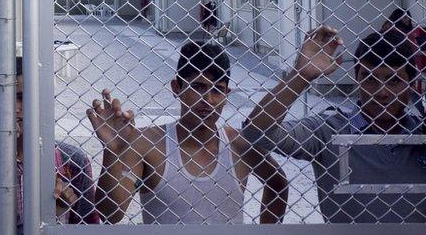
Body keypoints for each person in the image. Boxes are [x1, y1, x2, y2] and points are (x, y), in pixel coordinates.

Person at [89, 41, 289, 225]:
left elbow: (278, 183)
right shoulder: (147, 144)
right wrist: (113, 151)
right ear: (177, 87)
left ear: (227, 94)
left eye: (217, 90)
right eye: (198, 87)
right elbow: (110, 213)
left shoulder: (239, 145)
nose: (208, 99)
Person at [242, 26, 426, 223]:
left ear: (412, 84)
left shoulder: (420, 132)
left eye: (394, 80)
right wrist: (301, 76)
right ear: (357, 79)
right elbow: (257, 132)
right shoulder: (329, 129)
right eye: (370, 79)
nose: (382, 92)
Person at [15, 57, 98, 229]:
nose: (14, 107)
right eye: (4, 98)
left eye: (22, 98)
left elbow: (88, 225)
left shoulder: (74, 163)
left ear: (43, 101)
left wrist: (58, 212)